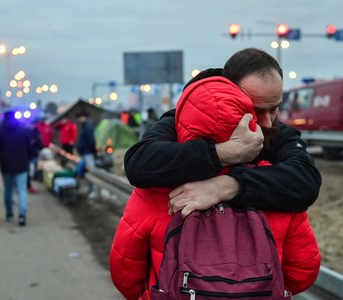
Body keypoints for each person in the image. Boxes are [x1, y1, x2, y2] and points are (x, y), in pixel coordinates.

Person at [114, 48, 323, 298]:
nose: (268, 122)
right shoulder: (180, 120)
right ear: (227, 94)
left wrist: (228, 186)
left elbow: (306, 182)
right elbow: (139, 164)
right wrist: (223, 153)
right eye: (257, 110)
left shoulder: (275, 132)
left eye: (275, 109)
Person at [0, 111, 32, 226]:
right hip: (22, 164)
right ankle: (22, 215)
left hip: (6, 164)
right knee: (22, 189)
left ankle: (9, 214)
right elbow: (29, 147)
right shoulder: (23, 130)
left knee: (8, 189)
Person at [75, 111, 97, 198]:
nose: (79, 119)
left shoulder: (87, 127)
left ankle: (94, 190)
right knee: (88, 171)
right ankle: (91, 189)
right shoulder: (84, 126)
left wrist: (93, 151)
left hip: (88, 153)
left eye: (81, 117)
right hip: (85, 152)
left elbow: (91, 141)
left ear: (85, 117)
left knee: (91, 171)